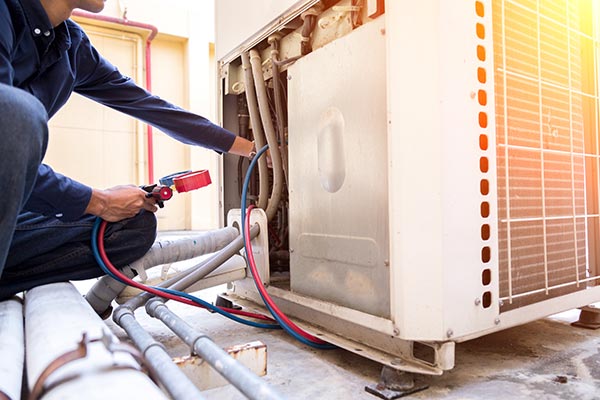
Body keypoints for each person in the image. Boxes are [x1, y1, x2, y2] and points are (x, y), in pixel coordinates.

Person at [0, 0, 255, 300]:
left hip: (12, 216)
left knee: (134, 225)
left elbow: (152, 107)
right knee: (18, 113)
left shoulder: (71, 47)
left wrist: (250, 147)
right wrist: (97, 201)